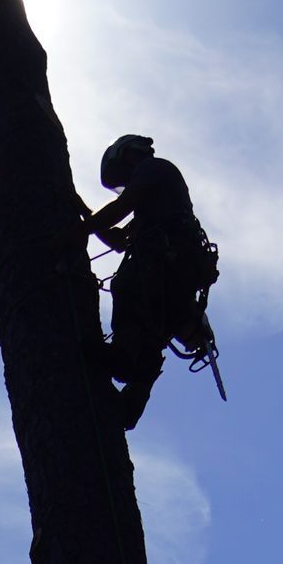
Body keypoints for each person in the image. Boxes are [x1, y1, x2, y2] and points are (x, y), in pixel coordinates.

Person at [86, 134, 220, 428]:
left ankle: (122, 357)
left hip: (166, 267)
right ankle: (131, 402)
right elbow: (118, 240)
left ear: (129, 156)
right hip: (175, 275)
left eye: (122, 176)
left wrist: (74, 232)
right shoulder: (158, 203)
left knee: (127, 288)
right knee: (153, 329)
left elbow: (119, 210)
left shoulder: (154, 168)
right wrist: (83, 214)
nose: (126, 182)